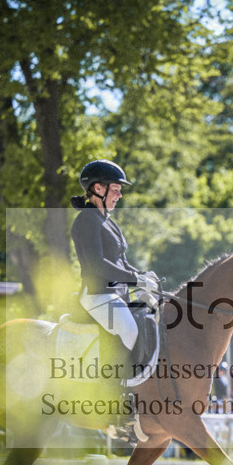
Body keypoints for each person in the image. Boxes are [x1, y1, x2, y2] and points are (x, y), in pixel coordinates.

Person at [70, 159, 158, 378]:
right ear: (98, 188)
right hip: (98, 295)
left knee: (153, 316)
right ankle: (113, 391)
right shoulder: (86, 220)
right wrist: (135, 280)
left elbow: (122, 262)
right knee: (129, 330)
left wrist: (142, 275)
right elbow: (96, 264)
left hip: (117, 294)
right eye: (116, 190)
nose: (120, 195)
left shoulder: (107, 220)